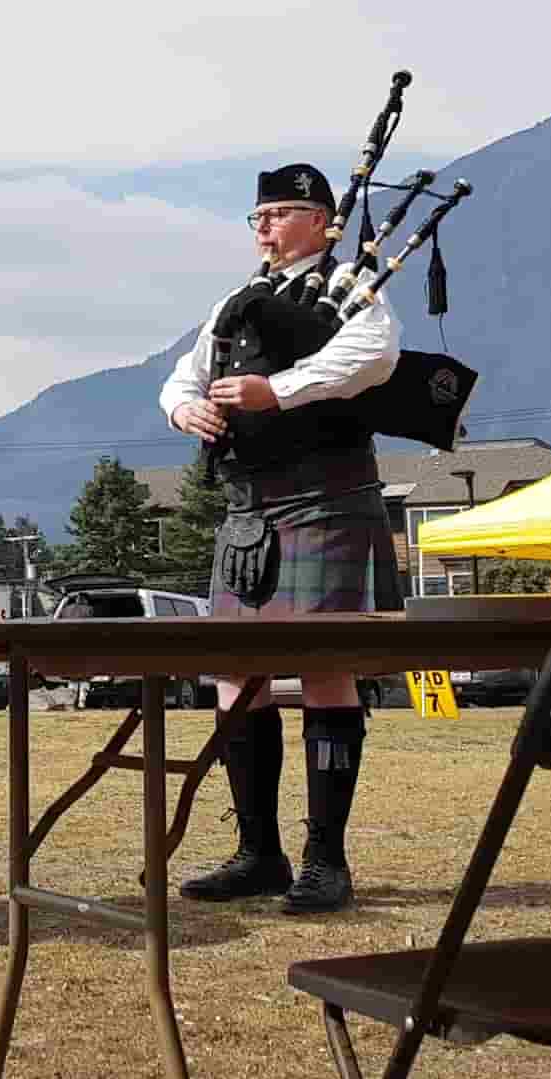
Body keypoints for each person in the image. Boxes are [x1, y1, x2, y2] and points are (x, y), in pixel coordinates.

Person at [159, 163, 405, 914]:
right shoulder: (236, 300)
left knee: (325, 667)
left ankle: (327, 861)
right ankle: (258, 852)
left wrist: (280, 389)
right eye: (257, 215)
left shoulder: (351, 288)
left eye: (280, 212)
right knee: (235, 674)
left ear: (324, 220)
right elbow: (182, 377)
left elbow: (376, 354)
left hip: (326, 496)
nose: (263, 226)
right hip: (247, 509)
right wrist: (184, 412)